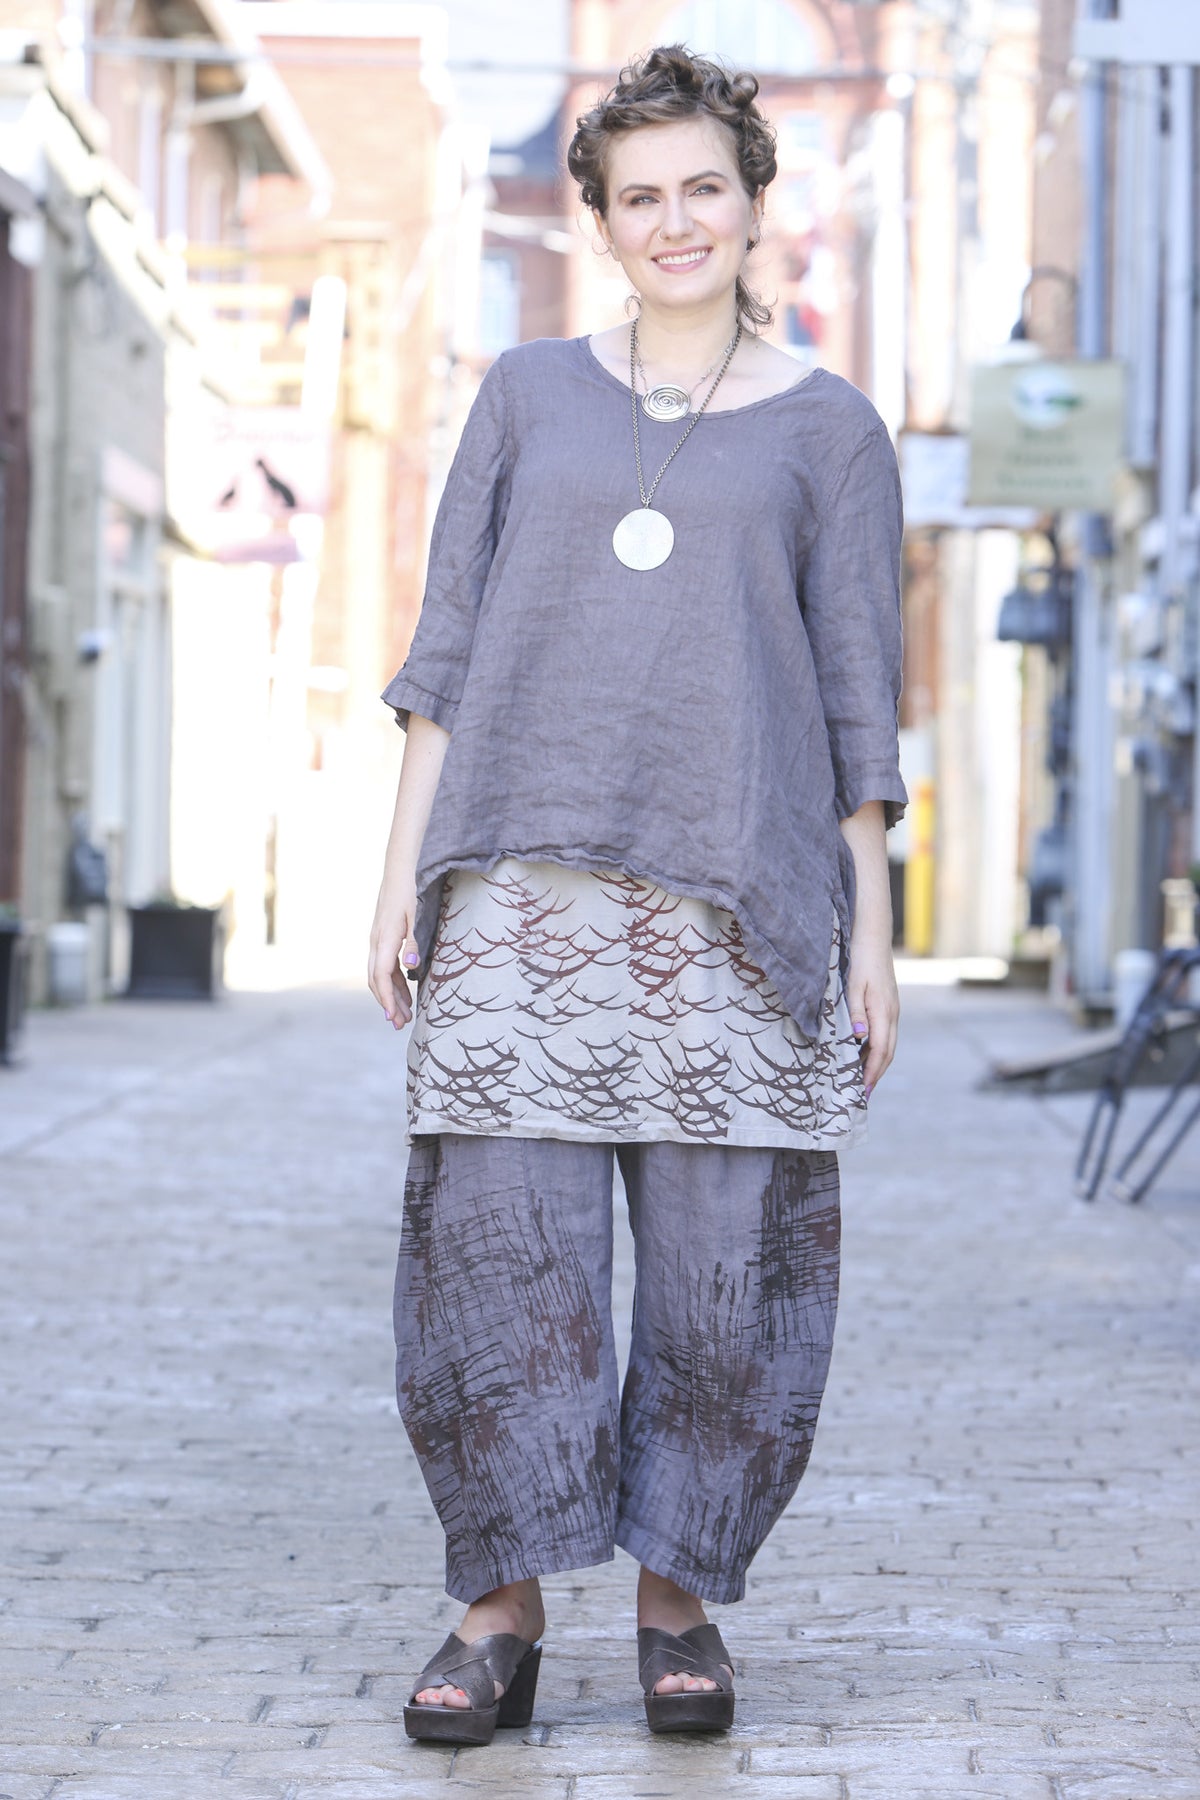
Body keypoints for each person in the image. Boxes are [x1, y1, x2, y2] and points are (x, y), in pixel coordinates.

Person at [368, 44, 906, 1747]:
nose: (677, 221)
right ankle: (499, 1613)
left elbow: (857, 693)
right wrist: (402, 878)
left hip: (741, 911)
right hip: (518, 893)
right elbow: (448, 649)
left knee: (723, 1286)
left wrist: (876, 931)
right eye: (641, 196)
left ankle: (680, 1605)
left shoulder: (832, 429)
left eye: (705, 189)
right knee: (498, 1274)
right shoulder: (526, 395)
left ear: (753, 203)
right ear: (598, 221)